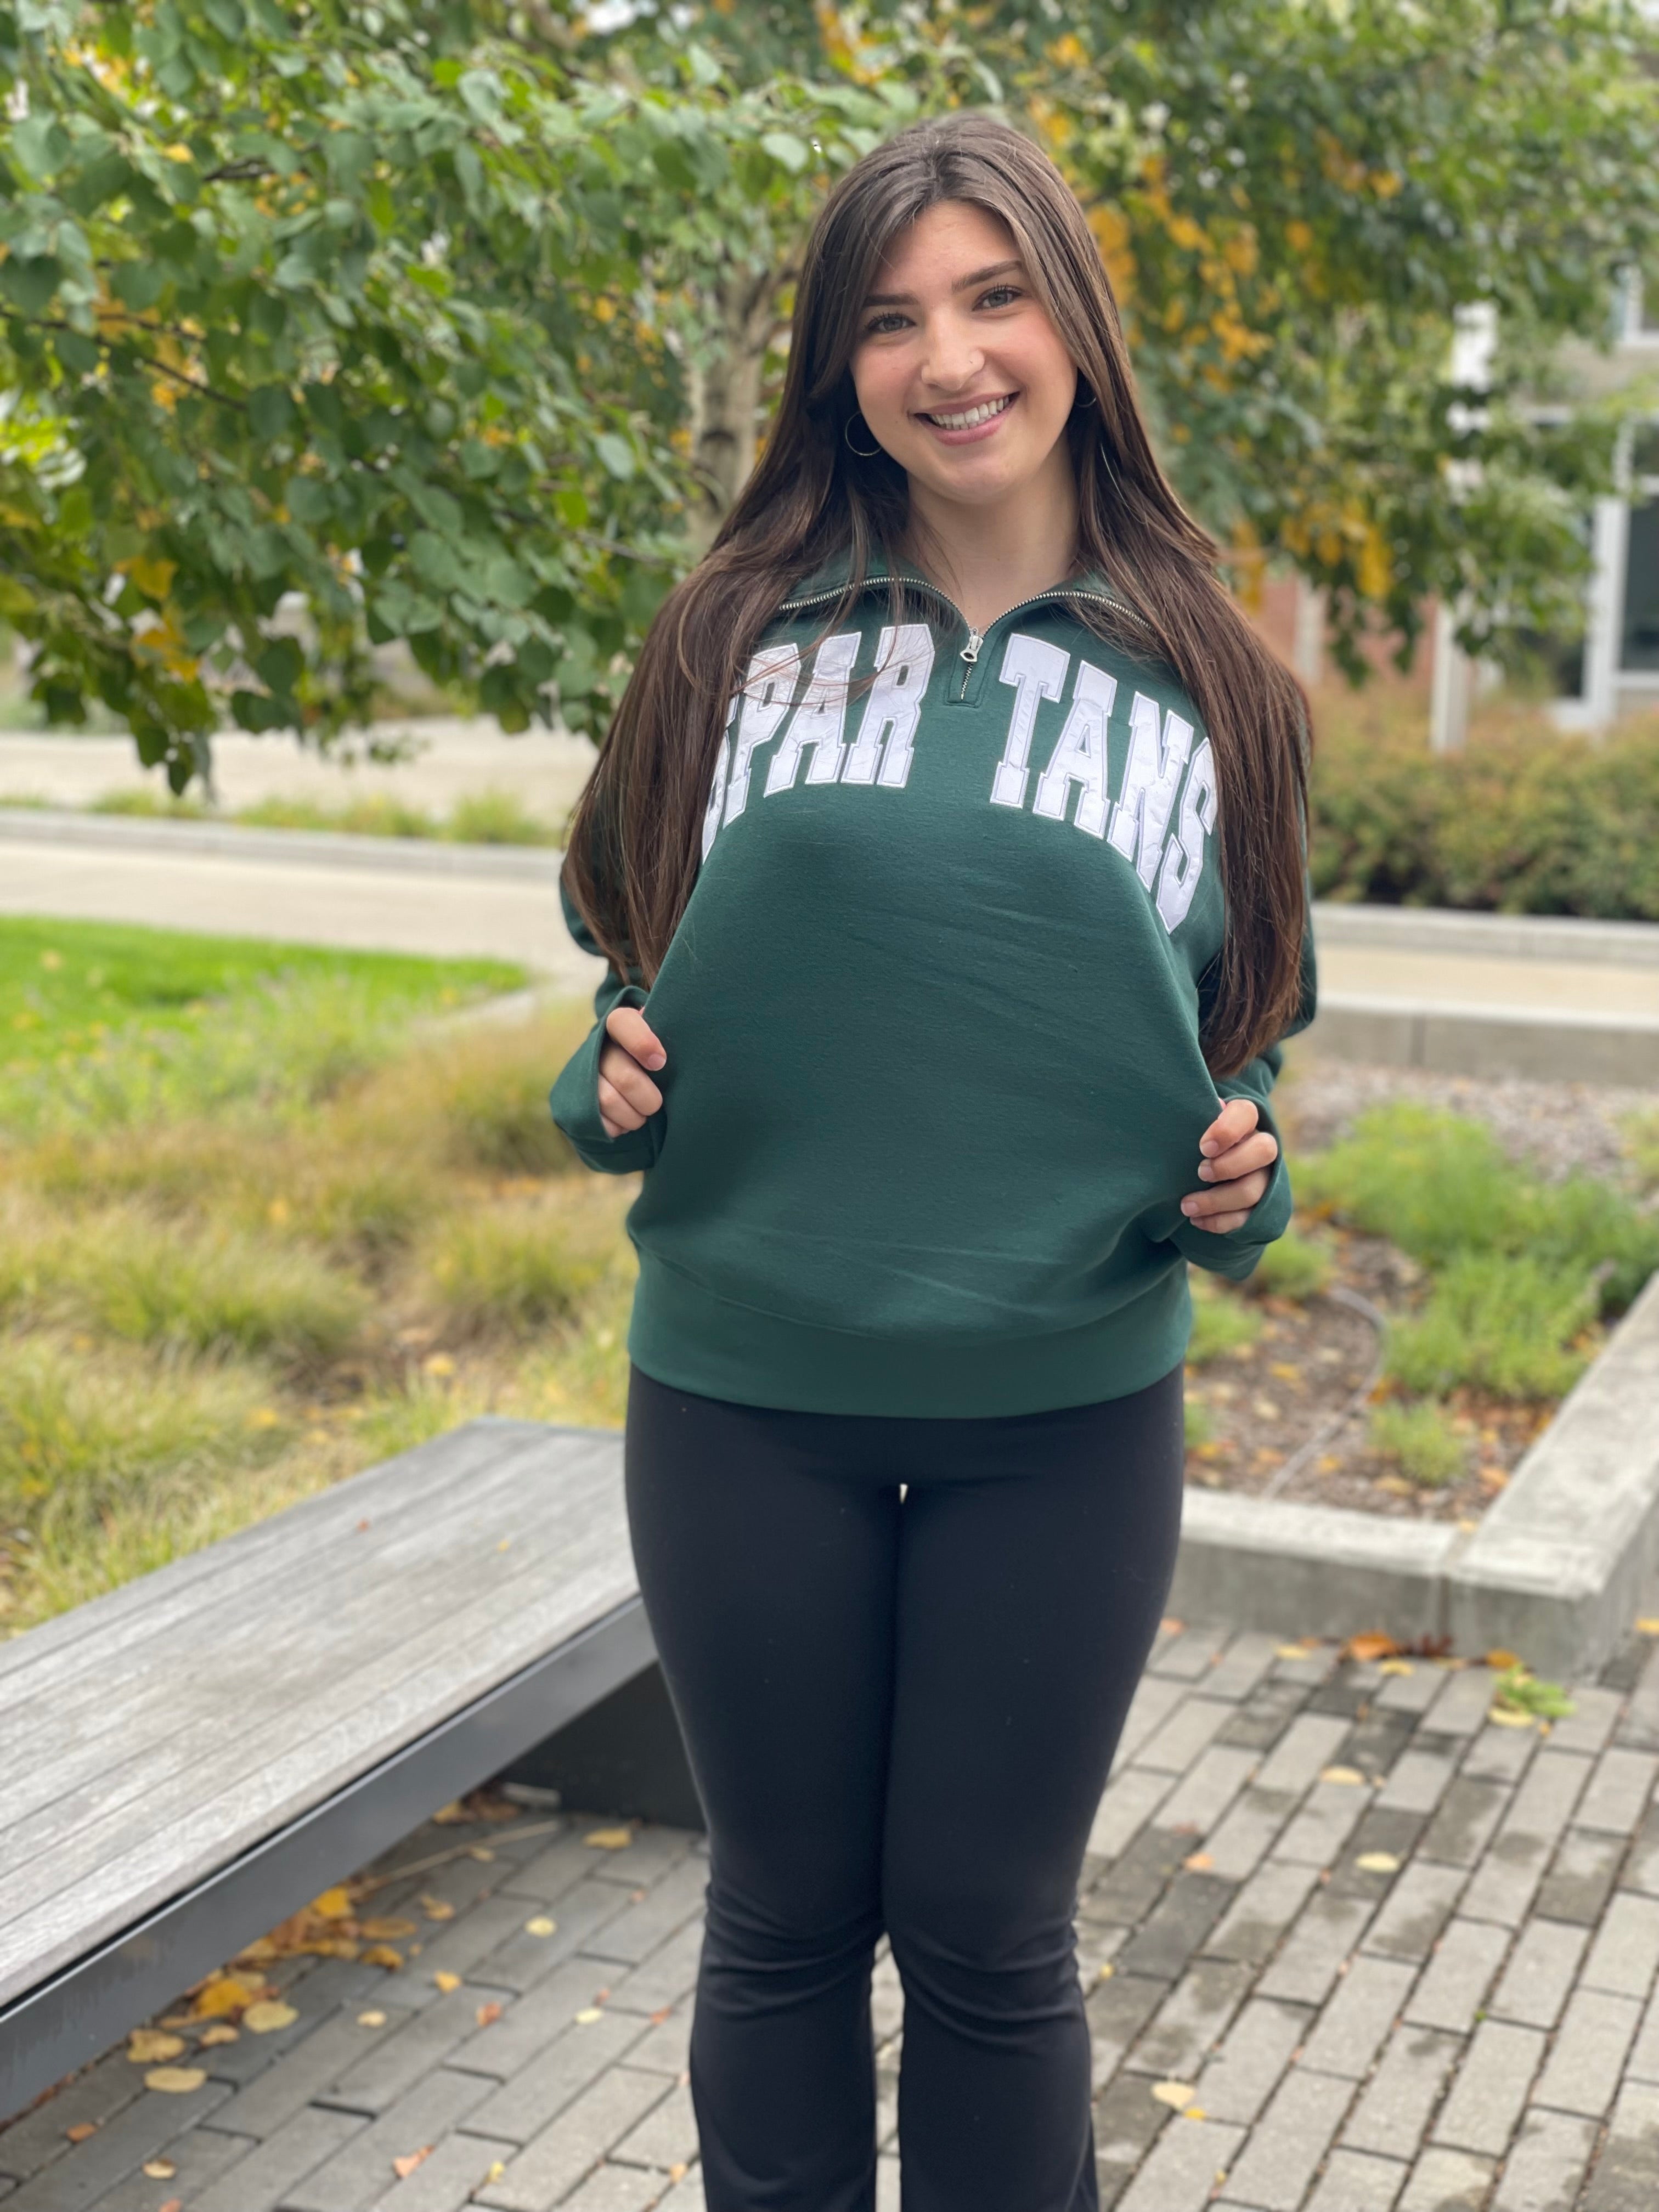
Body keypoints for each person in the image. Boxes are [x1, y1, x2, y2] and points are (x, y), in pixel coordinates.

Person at [549, 109, 1315, 2212]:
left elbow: (1238, 1048)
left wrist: (1244, 1189)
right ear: (837, 367)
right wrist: (594, 1085)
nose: (949, 356)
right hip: (742, 1396)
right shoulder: (728, 637)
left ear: (1072, 322)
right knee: (782, 1920)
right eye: (890, 318)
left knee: (989, 1938)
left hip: (1060, 1417)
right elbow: (633, 980)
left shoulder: (1221, 687)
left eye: (994, 296)